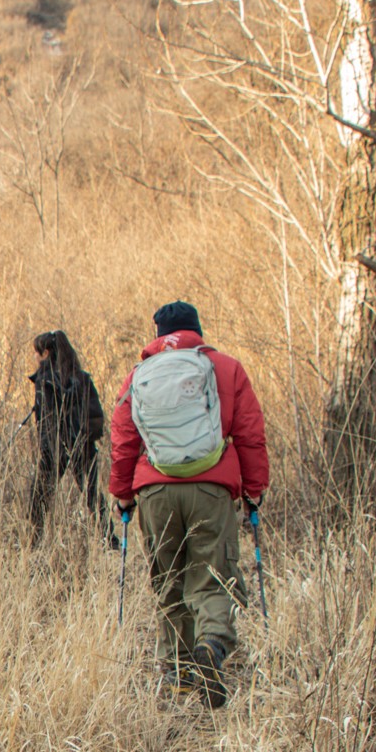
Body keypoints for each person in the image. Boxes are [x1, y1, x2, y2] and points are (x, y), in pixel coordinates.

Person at [108, 300, 269, 707]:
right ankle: (212, 645)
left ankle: (180, 676)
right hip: (211, 489)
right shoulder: (225, 368)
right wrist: (254, 487)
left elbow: (124, 437)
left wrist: (123, 492)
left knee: (169, 578)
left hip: (155, 493)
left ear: (157, 333)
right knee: (213, 575)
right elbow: (250, 432)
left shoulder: (138, 375)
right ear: (198, 329)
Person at [26, 329, 107, 546]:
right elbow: (97, 416)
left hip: (55, 448)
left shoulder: (45, 381)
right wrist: (85, 438)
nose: (35, 357)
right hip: (84, 445)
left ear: (46, 353)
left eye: (37, 352)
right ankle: (110, 539)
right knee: (92, 494)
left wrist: (46, 452)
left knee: (40, 495)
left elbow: (47, 423)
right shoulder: (82, 378)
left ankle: (33, 541)